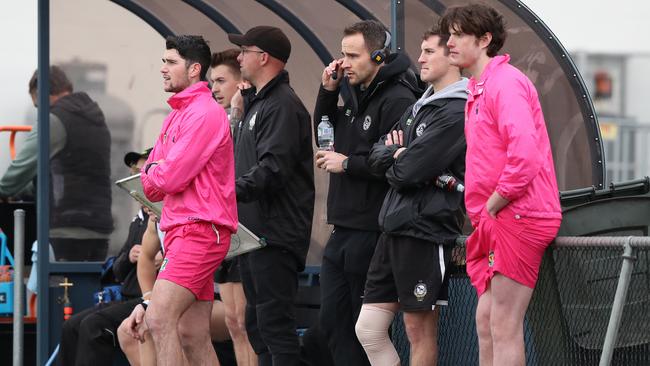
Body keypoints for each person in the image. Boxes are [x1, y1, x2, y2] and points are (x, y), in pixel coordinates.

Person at [441, 5, 562, 366]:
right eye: (448, 34)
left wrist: (496, 200)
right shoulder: (480, 87)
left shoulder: (505, 83)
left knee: (504, 323)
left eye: (458, 35)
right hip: (499, 217)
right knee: (486, 319)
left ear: (484, 40)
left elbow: (524, 153)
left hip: (519, 215)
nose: (449, 43)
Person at [356, 26, 468, 366]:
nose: (419, 58)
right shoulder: (420, 104)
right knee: (369, 329)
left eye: (429, 51)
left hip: (425, 229)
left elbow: (408, 172)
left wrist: (400, 157)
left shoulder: (457, 110)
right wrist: (398, 156)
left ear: (452, 57)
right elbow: (376, 154)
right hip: (393, 225)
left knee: (418, 331)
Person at [124, 35, 238, 366]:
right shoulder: (176, 115)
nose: (162, 69)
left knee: (159, 320)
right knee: (191, 333)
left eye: (171, 62)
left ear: (194, 69)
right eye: (163, 61)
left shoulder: (204, 114)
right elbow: (151, 183)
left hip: (200, 230)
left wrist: (158, 172)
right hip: (183, 230)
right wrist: (157, 172)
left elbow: (167, 178)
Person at [313, 19, 418, 366]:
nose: (344, 64)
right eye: (342, 55)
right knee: (332, 322)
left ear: (378, 56)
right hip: (341, 228)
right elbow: (325, 137)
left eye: (353, 56)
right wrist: (327, 93)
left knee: (365, 330)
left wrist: (347, 165)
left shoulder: (398, 99)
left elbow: (391, 163)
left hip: (372, 230)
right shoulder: (351, 94)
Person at [227, 26, 315, 365]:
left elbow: (272, 169)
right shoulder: (258, 103)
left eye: (244, 50)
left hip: (274, 236)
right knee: (258, 327)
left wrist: (225, 194)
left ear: (263, 57)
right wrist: (240, 110)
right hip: (253, 236)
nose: (238, 57)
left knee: (275, 328)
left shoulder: (282, 105)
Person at [0, 65, 113, 261]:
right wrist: (23, 190)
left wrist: (4, 190)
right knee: (86, 290)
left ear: (41, 93)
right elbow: (69, 173)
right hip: (99, 229)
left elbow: (17, 173)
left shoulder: (54, 120)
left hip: (65, 230)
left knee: (57, 291)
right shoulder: (94, 117)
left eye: (38, 106)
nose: (39, 113)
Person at [56, 149, 151, 366]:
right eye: (134, 172)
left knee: (93, 325)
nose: (136, 178)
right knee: (70, 326)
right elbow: (117, 271)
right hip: (127, 298)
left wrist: (158, 258)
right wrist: (130, 257)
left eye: (142, 171)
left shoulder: (162, 216)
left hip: (146, 300)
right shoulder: (138, 221)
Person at [209, 48, 258, 366]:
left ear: (241, 83)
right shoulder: (223, 119)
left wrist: (237, 114)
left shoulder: (249, 117)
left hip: (247, 230)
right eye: (211, 81)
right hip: (224, 230)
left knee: (242, 323)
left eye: (221, 81)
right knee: (232, 323)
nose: (214, 88)